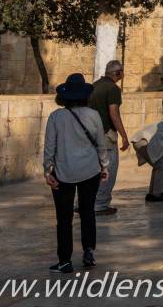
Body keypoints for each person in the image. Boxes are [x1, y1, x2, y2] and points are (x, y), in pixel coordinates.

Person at [44, 73, 109, 273]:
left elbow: (49, 147)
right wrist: (104, 166)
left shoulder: (56, 117)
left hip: (63, 172)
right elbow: (101, 144)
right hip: (90, 171)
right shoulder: (94, 115)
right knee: (87, 211)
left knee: (64, 218)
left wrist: (48, 170)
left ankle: (65, 260)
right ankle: (89, 251)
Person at [87, 60, 127, 216]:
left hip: (91, 134)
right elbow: (114, 113)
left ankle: (84, 202)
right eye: (122, 71)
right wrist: (123, 135)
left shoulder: (94, 85)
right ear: (117, 73)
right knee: (108, 168)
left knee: (92, 170)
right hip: (105, 134)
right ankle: (101, 204)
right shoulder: (113, 89)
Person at [131, 119, 163, 202]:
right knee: (161, 166)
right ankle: (158, 193)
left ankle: (152, 193)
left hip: (139, 141)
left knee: (158, 165)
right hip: (143, 141)